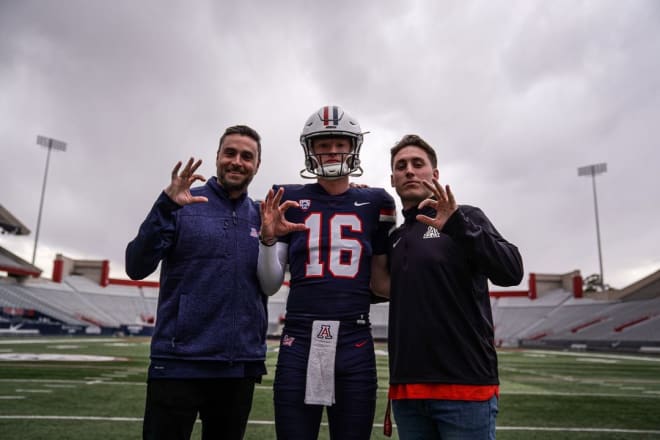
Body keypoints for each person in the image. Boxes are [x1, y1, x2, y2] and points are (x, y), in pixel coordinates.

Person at [257, 105, 397, 439]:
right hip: (300, 336)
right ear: (310, 150)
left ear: (353, 147)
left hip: (355, 338)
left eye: (339, 143)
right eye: (323, 144)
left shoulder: (379, 201)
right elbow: (269, 283)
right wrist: (268, 237)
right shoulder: (285, 197)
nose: (332, 151)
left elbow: (382, 279)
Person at [375, 134, 523, 439]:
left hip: (464, 387)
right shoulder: (396, 237)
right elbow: (379, 288)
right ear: (393, 179)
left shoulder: (466, 216)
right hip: (408, 390)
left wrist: (457, 224)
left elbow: (511, 271)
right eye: (401, 166)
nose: (409, 171)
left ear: (436, 174)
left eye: (418, 163)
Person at [125, 125, 268, 440]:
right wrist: (165, 205)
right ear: (217, 157)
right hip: (179, 364)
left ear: (257, 165)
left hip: (238, 366)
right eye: (230, 153)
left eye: (247, 156)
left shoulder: (262, 216)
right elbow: (136, 266)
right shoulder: (183, 203)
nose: (237, 161)